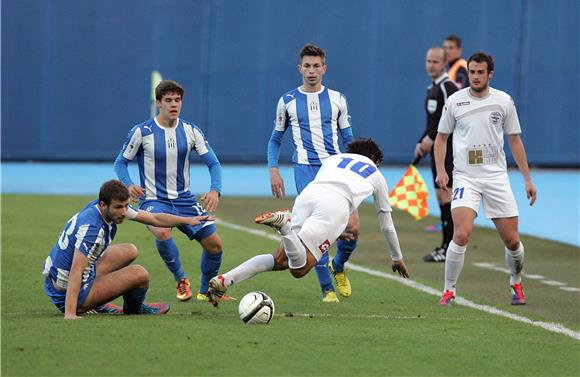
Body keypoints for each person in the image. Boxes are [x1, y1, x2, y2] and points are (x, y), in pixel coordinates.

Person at [208, 138, 410, 307]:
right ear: (374, 159)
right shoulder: (375, 173)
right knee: (299, 269)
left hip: (308, 196)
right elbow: (386, 223)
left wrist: (332, 230)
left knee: (280, 260)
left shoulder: (334, 159)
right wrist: (396, 257)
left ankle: (223, 281)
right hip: (335, 206)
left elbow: (324, 198)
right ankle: (285, 226)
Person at [434, 52, 537, 306]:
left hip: (496, 178)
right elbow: (441, 138)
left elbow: (514, 139)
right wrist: (441, 170)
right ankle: (449, 290)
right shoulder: (455, 102)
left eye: (481, 72)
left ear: (490, 74)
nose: (476, 76)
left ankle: (516, 282)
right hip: (465, 178)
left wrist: (527, 179)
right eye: (472, 72)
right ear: (466, 73)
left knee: (512, 241)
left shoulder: (503, 101)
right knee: (461, 234)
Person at [114, 80, 225, 303]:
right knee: (162, 231)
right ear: (158, 103)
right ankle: (181, 279)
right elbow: (120, 162)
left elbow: (213, 163)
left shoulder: (191, 130)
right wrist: (128, 184)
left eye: (177, 100)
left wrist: (215, 190)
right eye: (168, 100)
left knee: (215, 246)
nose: (174, 104)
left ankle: (206, 291)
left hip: (184, 199)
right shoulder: (142, 132)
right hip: (153, 200)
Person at [42, 180, 214, 319]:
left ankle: (96, 301)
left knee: (130, 250)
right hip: (68, 294)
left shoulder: (104, 208)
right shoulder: (93, 229)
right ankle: (135, 308)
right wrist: (70, 313)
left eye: (126, 206)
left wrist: (188, 220)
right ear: (103, 205)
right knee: (140, 274)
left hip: (57, 279)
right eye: (118, 207)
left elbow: (154, 218)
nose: (124, 212)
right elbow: (76, 270)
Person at [267, 43, 358, 303]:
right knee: (318, 229)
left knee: (353, 228)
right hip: (305, 170)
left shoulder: (338, 99)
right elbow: (275, 139)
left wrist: (360, 166)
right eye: (307, 66)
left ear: (324, 69)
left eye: (316, 65)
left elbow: (348, 137)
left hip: (336, 170)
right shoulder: (288, 101)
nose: (311, 70)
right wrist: (274, 170)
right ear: (299, 69)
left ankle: (338, 265)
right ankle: (327, 289)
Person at [414, 47, 458, 262]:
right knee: (442, 196)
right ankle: (445, 245)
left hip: (448, 150)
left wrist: (431, 138)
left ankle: (451, 247)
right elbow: (432, 122)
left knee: (447, 194)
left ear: (444, 63)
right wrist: (422, 140)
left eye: (435, 61)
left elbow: (452, 116)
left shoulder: (447, 87)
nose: (430, 65)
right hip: (435, 148)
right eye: (428, 60)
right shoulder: (432, 87)